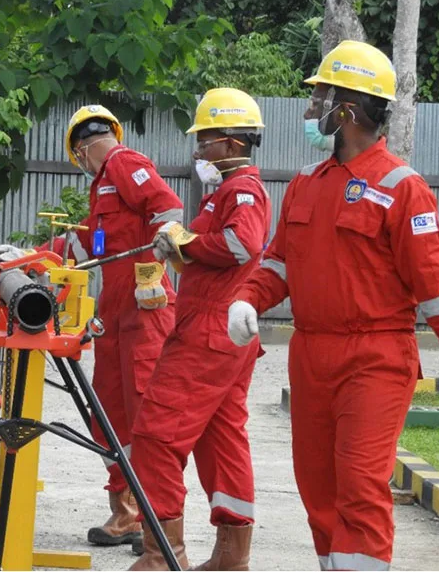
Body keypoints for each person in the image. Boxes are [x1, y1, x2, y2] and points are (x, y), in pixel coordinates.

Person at [227, 40, 439, 571]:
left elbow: (435, 288)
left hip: (376, 359)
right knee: (318, 489)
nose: (310, 109)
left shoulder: (402, 187)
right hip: (312, 355)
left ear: (346, 107)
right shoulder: (306, 183)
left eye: (319, 96)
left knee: (359, 485)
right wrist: (246, 298)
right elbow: (278, 263)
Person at [0, 105, 183, 547]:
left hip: (145, 313)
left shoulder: (124, 164)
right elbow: (80, 243)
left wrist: (155, 261)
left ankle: (157, 521)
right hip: (115, 317)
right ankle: (127, 511)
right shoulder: (104, 187)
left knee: (146, 415)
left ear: (82, 148)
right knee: (110, 414)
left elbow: (166, 209)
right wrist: (23, 258)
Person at [128, 88, 271, 571]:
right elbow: (217, 253)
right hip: (223, 331)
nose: (198, 151)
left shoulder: (242, 190)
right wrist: (183, 250)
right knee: (221, 439)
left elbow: (240, 244)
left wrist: (185, 241)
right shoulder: (228, 191)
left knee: (154, 435)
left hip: (209, 331)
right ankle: (232, 559)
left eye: (204, 141)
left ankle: (163, 556)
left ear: (231, 144)